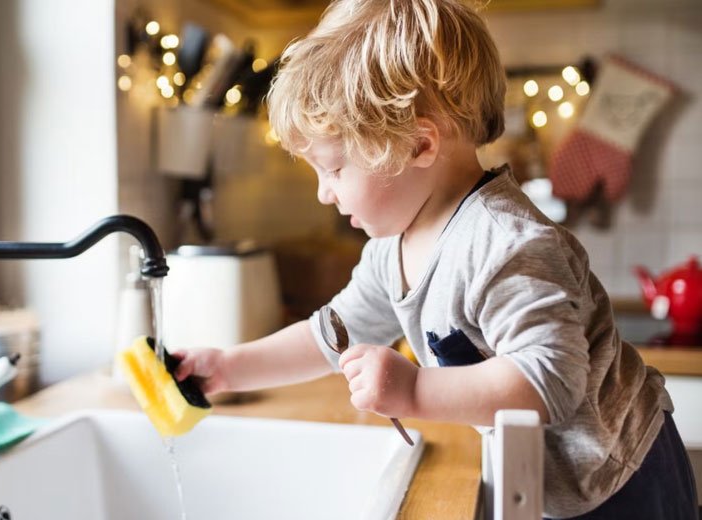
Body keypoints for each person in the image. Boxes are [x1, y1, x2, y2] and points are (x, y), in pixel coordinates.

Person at [173, 1, 698, 518]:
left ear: (419, 144)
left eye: (333, 169)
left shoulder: (505, 242)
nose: (323, 194)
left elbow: (551, 383)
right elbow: (330, 335)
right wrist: (227, 367)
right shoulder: (391, 247)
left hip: (623, 476)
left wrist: (414, 389)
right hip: (554, 483)